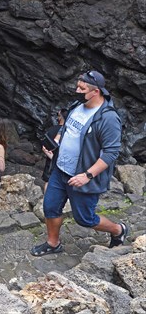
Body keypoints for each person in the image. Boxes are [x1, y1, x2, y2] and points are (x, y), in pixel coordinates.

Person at [31, 70, 126, 256]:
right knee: (50, 207)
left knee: (85, 219)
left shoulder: (108, 118)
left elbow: (111, 152)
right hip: (60, 169)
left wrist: (87, 175)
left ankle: (118, 230)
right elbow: (66, 127)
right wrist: (56, 143)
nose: (77, 90)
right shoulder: (77, 105)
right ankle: (53, 243)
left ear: (95, 91)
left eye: (82, 88)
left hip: (83, 176)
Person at [41, 109, 68, 191]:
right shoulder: (70, 131)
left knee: (48, 181)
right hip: (66, 161)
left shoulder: (52, 129)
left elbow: (44, 146)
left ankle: (46, 200)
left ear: (60, 117)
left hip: (51, 159)